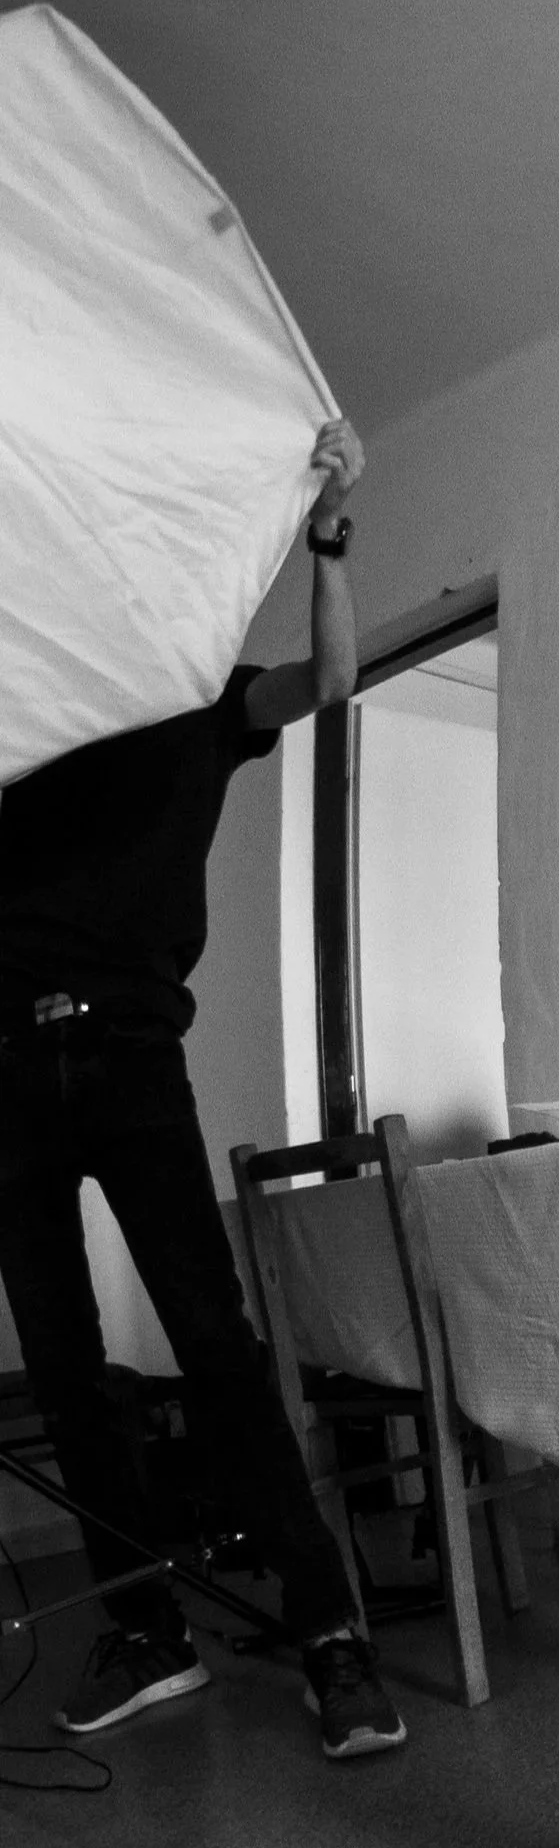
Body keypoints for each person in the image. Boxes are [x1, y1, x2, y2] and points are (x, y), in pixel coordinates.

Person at [0, 418, 407, 1762]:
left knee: (214, 1342)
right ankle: (148, 1628)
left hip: (128, 1052)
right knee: (62, 1364)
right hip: (5, 1064)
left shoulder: (192, 698)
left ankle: (330, 1631)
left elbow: (334, 677)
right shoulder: (20, 711)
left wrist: (328, 537)